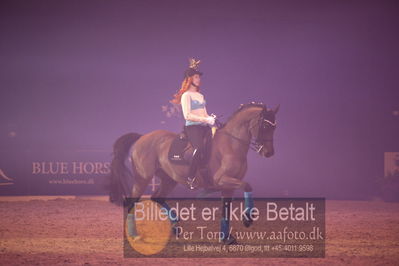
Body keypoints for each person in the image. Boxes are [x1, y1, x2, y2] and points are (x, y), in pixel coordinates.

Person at [170, 58, 216, 189]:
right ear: (190, 79)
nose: (199, 79)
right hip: (192, 127)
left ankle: (205, 174)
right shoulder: (186, 95)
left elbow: (204, 113)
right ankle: (190, 177)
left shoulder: (200, 95)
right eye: (196, 77)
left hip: (204, 127)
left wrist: (210, 118)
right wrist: (205, 120)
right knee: (199, 148)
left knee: (212, 148)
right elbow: (187, 115)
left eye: (198, 77)